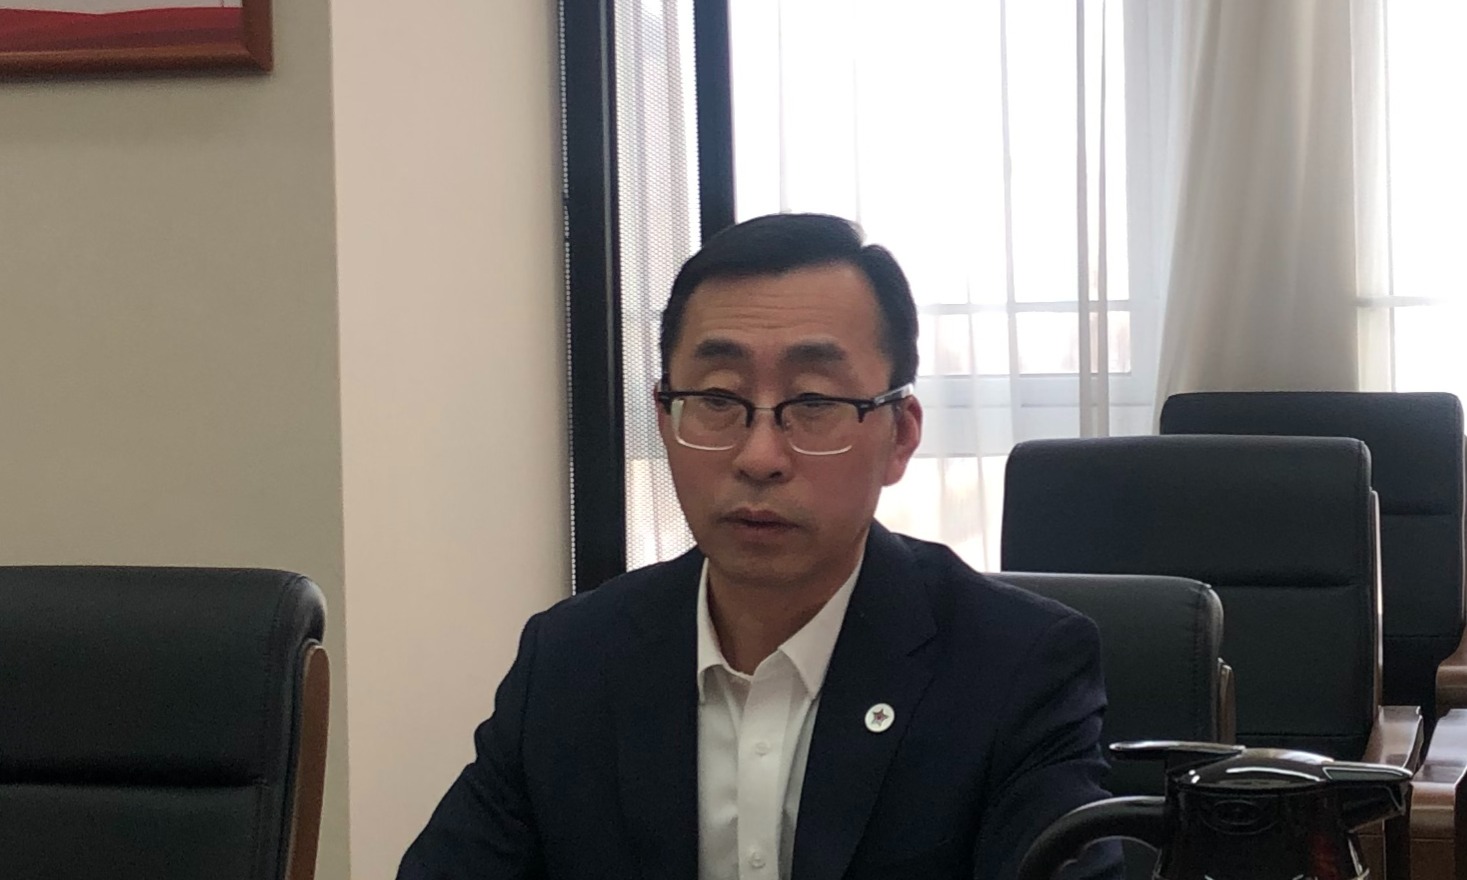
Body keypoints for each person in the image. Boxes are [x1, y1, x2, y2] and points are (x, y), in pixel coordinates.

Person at [398, 213, 1122, 880]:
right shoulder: (570, 662)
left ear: (899, 436)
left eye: (814, 403)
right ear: (665, 418)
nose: (760, 456)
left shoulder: (1015, 668)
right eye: (717, 400)